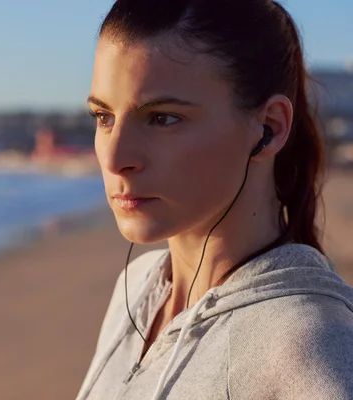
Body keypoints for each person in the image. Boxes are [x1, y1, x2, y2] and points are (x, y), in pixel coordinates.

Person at [76, 0, 353, 399]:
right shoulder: (136, 288)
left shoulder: (309, 348)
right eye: (104, 117)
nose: (116, 159)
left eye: (163, 118)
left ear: (269, 129)